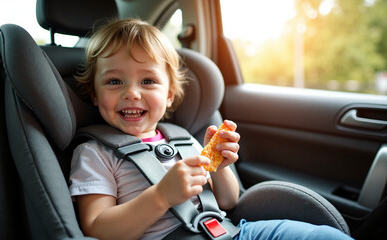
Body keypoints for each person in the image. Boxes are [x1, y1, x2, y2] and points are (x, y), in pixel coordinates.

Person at [69, 18, 353, 240]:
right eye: (114, 82)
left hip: (233, 232)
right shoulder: (95, 153)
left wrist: (220, 168)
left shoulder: (181, 139)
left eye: (147, 82)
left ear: (169, 95)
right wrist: (160, 196)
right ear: (94, 94)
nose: (131, 93)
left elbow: (228, 200)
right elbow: (97, 229)